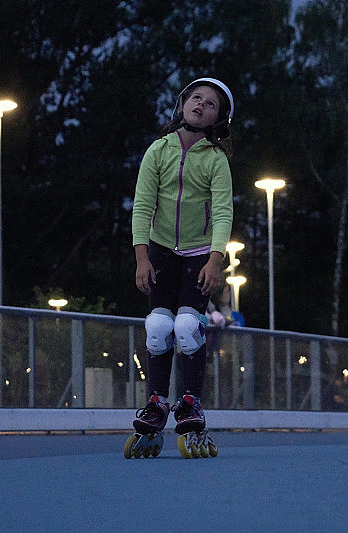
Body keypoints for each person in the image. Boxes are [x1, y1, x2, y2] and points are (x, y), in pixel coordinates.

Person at [131, 77, 234, 438]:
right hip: (160, 249)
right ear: (183, 103)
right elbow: (142, 206)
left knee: (188, 328)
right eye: (196, 98)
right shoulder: (158, 150)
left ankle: (191, 402)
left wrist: (215, 260)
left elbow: (222, 212)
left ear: (217, 119)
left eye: (211, 104)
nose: (201, 105)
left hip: (199, 253)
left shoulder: (216, 159)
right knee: (158, 328)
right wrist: (142, 258)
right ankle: (157, 403)